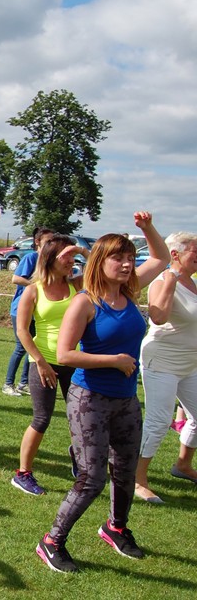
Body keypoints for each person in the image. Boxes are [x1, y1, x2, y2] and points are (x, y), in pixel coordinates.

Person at [37, 214, 170, 574]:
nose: (128, 264)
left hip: (126, 400)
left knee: (126, 471)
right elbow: (65, 354)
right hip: (89, 398)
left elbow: (162, 259)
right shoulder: (85, 302)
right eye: (119, 258)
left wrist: (147, 229)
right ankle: (51, 541)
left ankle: (116, 528)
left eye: (130, 257)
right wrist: (113, 360)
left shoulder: (130, 289)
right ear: (101, 261)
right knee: (92, 478)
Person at [11, 235, 88, 496]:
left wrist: (82, 251)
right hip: (43, 361)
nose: (72, 261)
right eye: (67, 257)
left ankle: (79, 458)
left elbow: (99, 269)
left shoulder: (77, 284)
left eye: (73, 257)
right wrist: (41, 363)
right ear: (50, 259)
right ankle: (22, 474)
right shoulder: (34, 290)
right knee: (42, 418)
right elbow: (22, 331)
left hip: (75, 361)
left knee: (80, 417)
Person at [134, 232, 197, 503]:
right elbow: (158, 317)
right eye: (195, 253)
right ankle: (137, 478)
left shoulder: (194, 282)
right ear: (176, 254)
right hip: (161, 360)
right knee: (158, 421)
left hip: (190, 362)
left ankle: (183, 465)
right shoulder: (162, 280)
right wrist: (171, 279)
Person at [4, 227, 55, 396]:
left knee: (33, 346)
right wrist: (36, 286)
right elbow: (15, 278)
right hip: (20, 309)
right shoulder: (31, 257)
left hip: (37, 310)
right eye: (48, 241)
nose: (51, 244)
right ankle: (8, 384)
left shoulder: (49, 261)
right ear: (38, 242)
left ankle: (23, 383)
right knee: (21, 347)